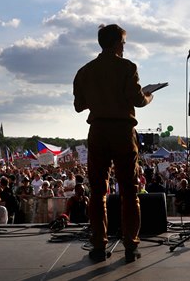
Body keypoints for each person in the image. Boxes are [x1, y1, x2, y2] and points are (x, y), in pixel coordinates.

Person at [73, 23, 153, 263]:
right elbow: (137, 100)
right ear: (118, 43)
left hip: (98, 131)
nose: (124, 47)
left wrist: (100, 97)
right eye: (124, 42)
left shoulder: (85, 71)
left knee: (97, 192)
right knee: (129, 191)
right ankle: (131, 245)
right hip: (122, 132)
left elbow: (79, 106)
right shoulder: (127, 67)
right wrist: (149, 96)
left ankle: (99, 245)